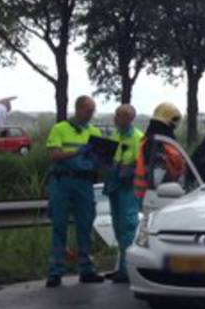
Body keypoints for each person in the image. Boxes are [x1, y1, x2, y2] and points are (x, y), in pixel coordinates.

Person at [44, 96, 104, 287]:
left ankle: (86, 269)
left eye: (93, 111)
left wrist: (102, 159)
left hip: (84, 183)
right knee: (59, 225)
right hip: (62, 181)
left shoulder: (94, 132)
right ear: (78, 109)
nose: (90, 115)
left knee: (85, 226)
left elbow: (99, 162)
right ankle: (55, 272)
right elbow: (54, 155)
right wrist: (77, 152)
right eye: (88, 111)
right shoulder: (60, 128)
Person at [102, 104, 143, 283]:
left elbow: (139, 165)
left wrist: (126, 170)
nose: (115, 118)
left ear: (129, 118)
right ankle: (121, 267)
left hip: (128, 186)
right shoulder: (116, 135)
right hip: (114, 184)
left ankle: (128, 270)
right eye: (116, 114)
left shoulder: (138, 137)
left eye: (119, 115)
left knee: (128, 226)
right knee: (118, 226)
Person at [135, 102, 186, 201]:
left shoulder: (149, 140)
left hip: (148, 196)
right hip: (161, 197)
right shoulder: (159, 144)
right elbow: (157, 178)